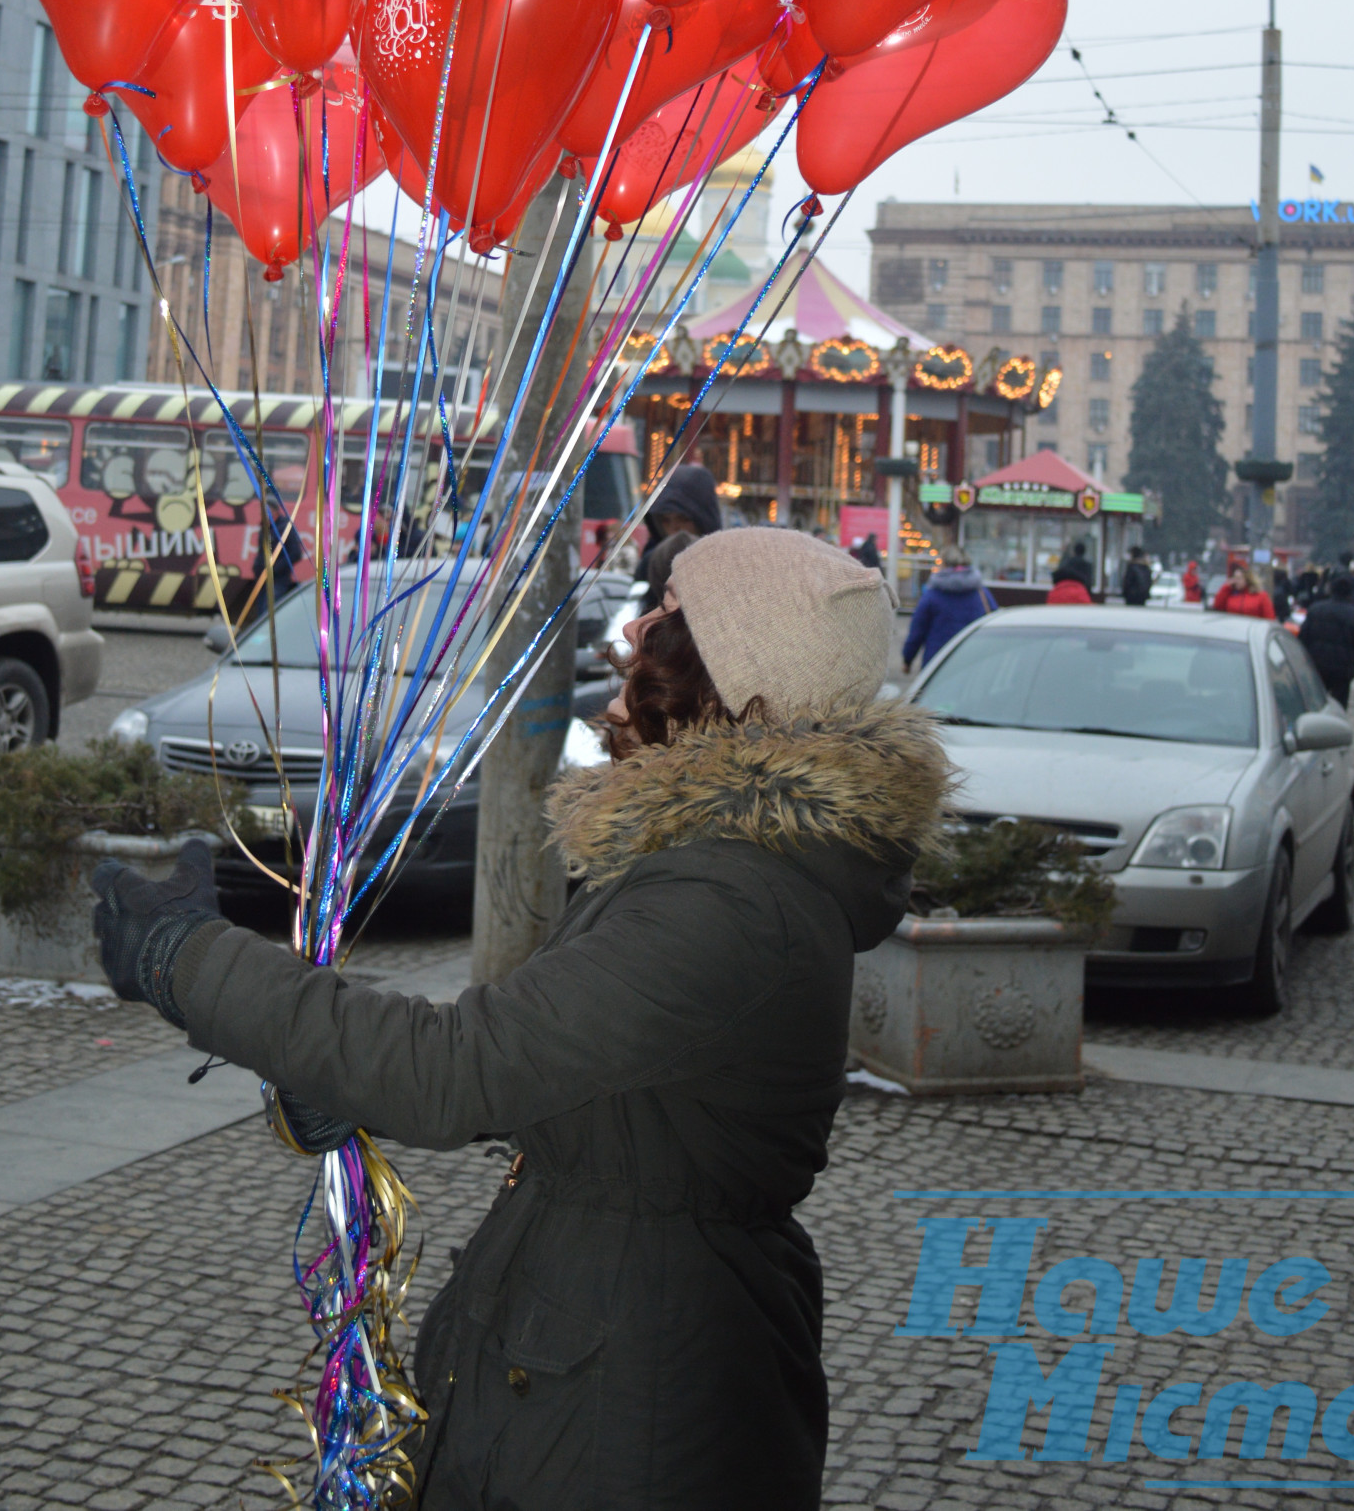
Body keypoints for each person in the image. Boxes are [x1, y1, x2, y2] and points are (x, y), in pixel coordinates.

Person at [89, 530, 950, 1511]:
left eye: (669, 611)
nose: (634, 627)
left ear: (727, 675)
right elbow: (597, 1072)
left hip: (632, 1385)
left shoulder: (731, 896)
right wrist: (341, 1077)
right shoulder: (723, 864)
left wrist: (185, 957)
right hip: (600, 1338)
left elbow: (463, 1066)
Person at [637, 461, 722, 607]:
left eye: (684, 519)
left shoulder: (722, 562)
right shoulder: (649, 563)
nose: (674, 528)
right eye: (665, 520)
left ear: (704, 518)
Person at [902, 552, 995, 671]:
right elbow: (994, 622)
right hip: (974, 662)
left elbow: (917, 630)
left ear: (944, 565)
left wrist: (907, 659)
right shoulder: (982, 594)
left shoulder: (932, 595)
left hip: (937, 662)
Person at [1298, 572, 1354, 709]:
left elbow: (1303, 636)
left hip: (1317, 663)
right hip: (1342, 668)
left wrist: (1302, 660)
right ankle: (1336, 725)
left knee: (1316, 700)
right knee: (1339, 703)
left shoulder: (1316, 610)